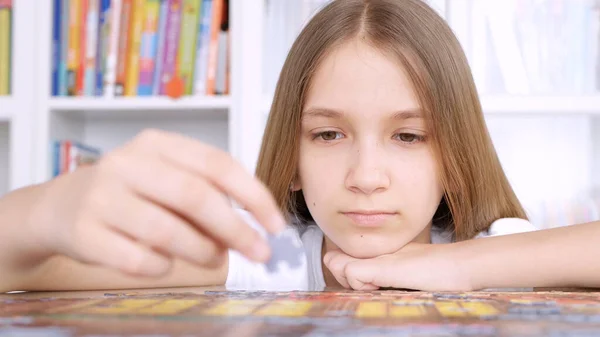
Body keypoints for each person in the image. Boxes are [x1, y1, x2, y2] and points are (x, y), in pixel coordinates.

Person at [1, 0, 599, 294]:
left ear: (455, 159)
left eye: (409, 136)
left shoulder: (494, 252)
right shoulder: (271, 261)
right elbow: (21, 268)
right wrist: (47, 211)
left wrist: (449, 265)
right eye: (329, 134)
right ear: (292, 160)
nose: (366, 176)